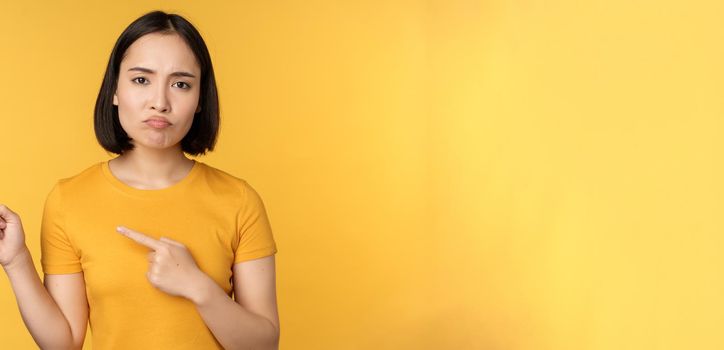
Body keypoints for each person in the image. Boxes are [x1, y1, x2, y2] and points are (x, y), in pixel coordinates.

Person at [0, 10, 280, 349]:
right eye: (141, 80)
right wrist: (16, 261)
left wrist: (198, 286)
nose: (160, 103)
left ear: (199, 101)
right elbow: (64, 343)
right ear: (115, 90)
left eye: (181, 84)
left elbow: (263, 345)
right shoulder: (68, 200)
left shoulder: (238, 200)